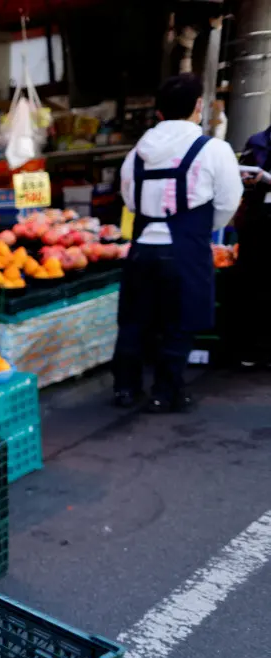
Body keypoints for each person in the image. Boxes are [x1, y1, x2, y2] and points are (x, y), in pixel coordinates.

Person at [113, 74, 242, 412]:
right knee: (179, 322)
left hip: (141, 248)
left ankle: (125, 389)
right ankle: (165, 392)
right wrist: (200, 229)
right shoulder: (213, 150)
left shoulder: (136, 155)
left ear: (158, 112)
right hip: (186, 248)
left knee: (135, 320)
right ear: (198, 107)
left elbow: (129, 200)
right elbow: (229, 201)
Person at [232, 124, 271, 367]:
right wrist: (247, 179)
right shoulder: (257, 141)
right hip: (257, 219)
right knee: (252, 281)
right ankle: (250, 349)